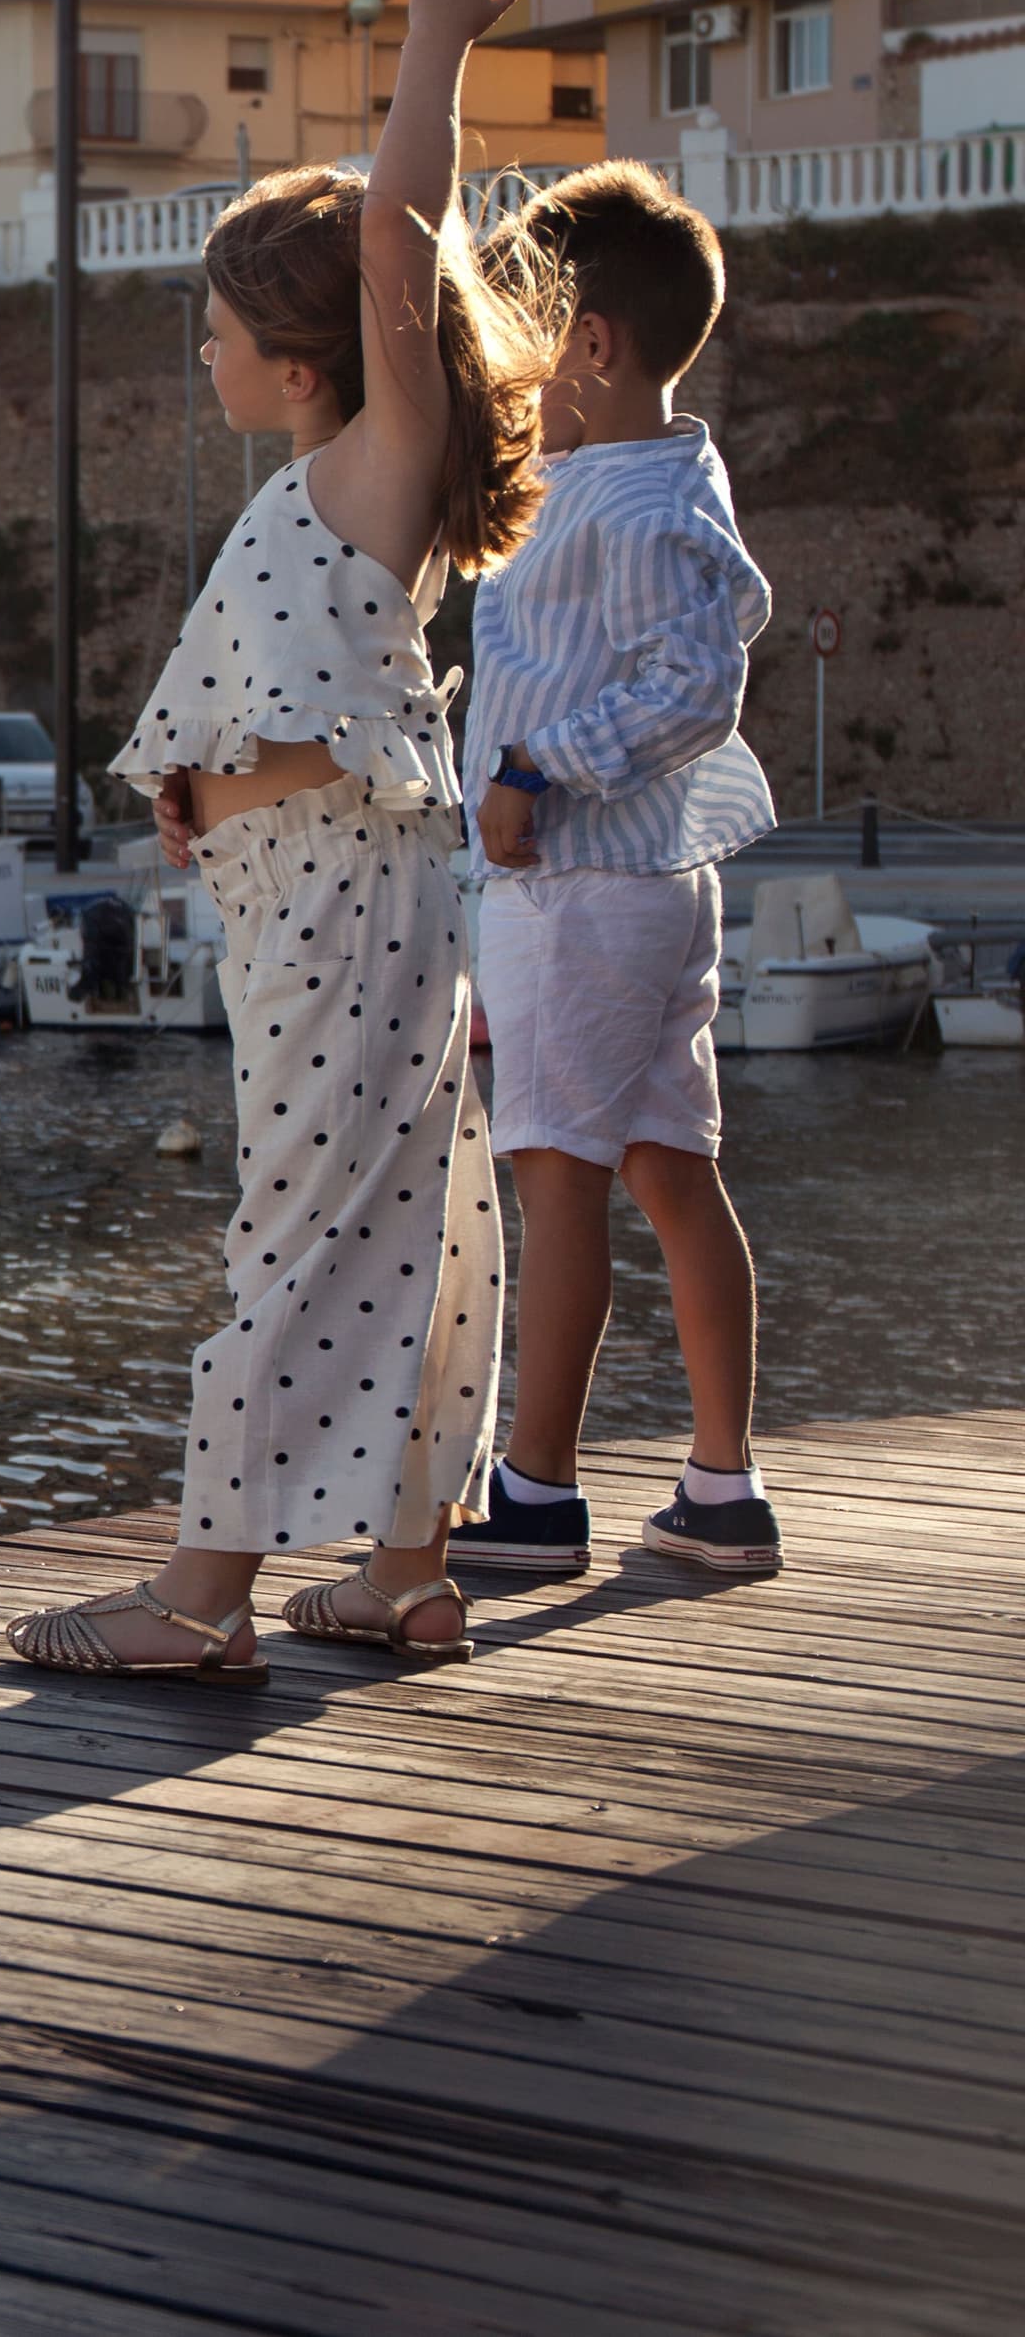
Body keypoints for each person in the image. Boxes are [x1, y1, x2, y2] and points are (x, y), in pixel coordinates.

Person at [6, 0, 549, 1682]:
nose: (207, 352)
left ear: (304, 361)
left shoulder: (376, 461)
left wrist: (434, 41)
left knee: (300, 1225)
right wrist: (196, 790)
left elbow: (397, 224)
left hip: (347, 897)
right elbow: (296, 711)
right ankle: (403, 1571)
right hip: (320, 885)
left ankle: (199, 1597)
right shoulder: (315, 493)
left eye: (224, 332)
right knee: (403, 1211)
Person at [451, 163, 780, 1578]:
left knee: (557, 1172)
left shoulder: (635, 505)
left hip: (580, 888)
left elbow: (695, 686)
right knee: (667, 1165)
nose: (505, 369)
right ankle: (723, 1490)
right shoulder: (633, 478)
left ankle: (537, 1493)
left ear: (587, 346)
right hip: (645, 886)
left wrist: (536, 768)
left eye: (519, 338)